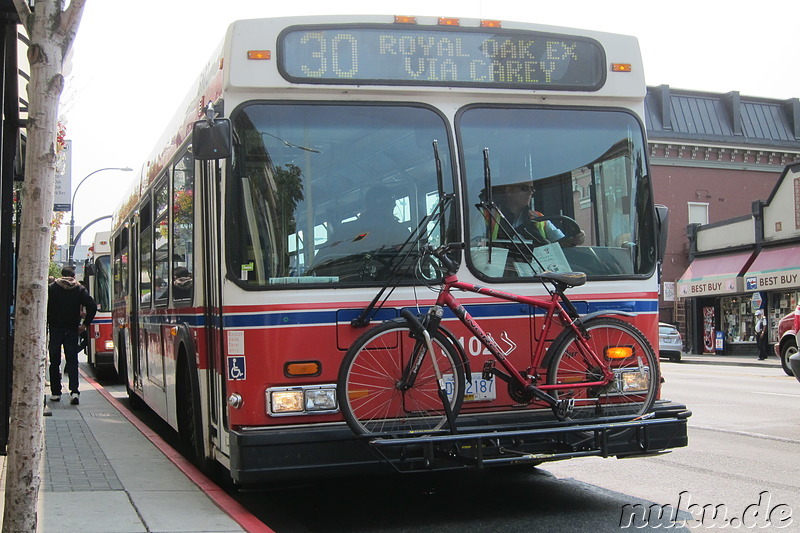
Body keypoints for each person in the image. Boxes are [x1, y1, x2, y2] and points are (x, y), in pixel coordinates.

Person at [48, 266, 97, 405]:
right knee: (72, 361)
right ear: (73, 276)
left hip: (55, 329)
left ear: (61, 275)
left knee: (54, 362)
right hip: (72, 330)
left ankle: (56, 392)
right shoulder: (79, 289)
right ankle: (74, 391)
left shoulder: (52, 288)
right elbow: (92, 306)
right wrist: (85, 324)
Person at [487, 180, 585, 247]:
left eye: (532, 189)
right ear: (509, 190)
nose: (530, 192)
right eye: (525, 188)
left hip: (537, 272)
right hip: (501, 273)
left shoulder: (538, 217)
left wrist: (575, 239)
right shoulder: (488, 216)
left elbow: (561, 241)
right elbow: (477, 247)